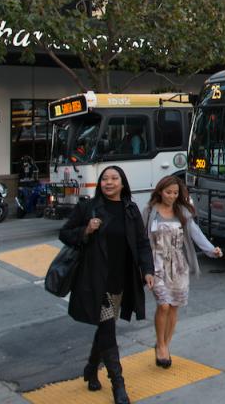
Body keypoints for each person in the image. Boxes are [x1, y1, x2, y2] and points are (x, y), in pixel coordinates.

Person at [60, 166, 154, 404]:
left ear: (123, 184)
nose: (109, 182)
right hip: (94, 280)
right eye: (105, 179)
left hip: (119, 280)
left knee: (106, 325)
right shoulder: (87, 208)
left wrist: (148, 270)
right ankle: (118, 384)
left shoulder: (131, 210)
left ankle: (92, 368)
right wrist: (86, 230)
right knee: (108, 328)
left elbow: (142, 244)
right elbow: (65, 233)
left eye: (114, 178)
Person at [142, 176, 222, 368]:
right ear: (160, 191)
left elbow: (196, 234)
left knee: (174, 305)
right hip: (157, 263)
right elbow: (142, 240)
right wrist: (144, 268)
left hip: (178, 265)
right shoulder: (149, 212)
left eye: (175, 193)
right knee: (164, 305)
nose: (171, 196)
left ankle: (166, 345)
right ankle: (160, 345)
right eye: (168, 192)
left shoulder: (182, 211)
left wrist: (211, 250)